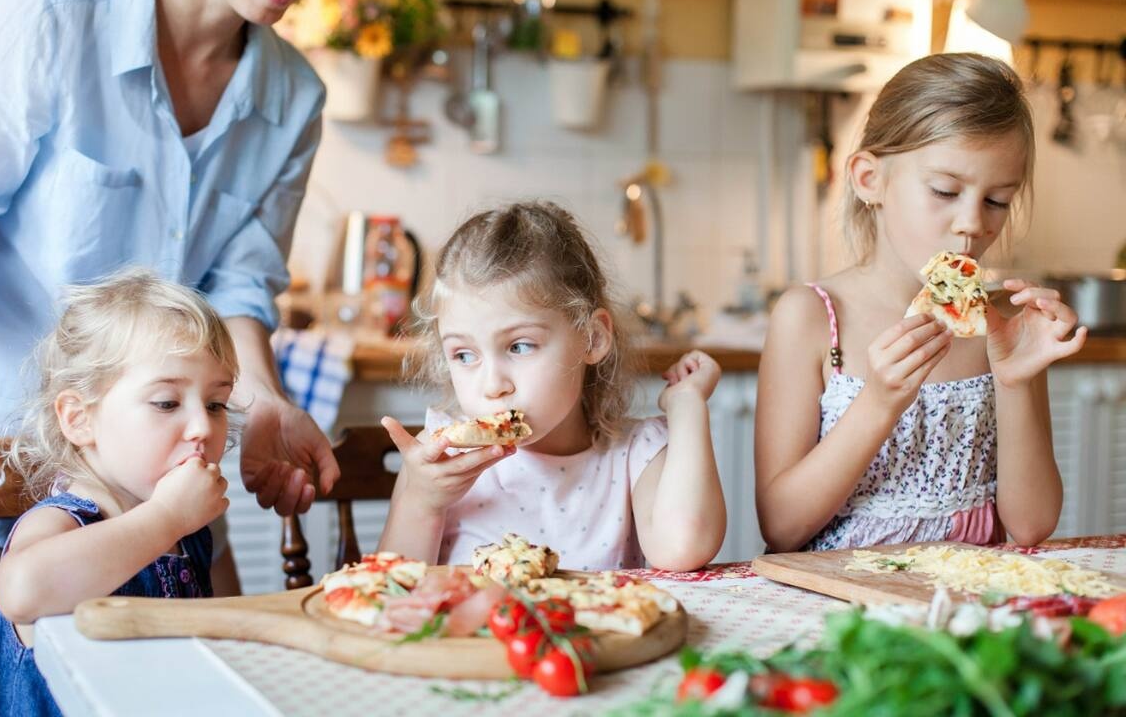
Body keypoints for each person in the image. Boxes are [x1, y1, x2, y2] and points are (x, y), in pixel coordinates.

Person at [0, 0, 339, 707]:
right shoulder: (46, 17)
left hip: (154, 471)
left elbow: (240, 284)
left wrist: (261, 398)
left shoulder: (293, 94)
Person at [755, 53, 1087, 554]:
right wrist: (879, 402)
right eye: (945, 190)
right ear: (870, 180)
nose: (973, 224)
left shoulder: (1002, 327)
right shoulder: (811, 318)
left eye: (997, 200)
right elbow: (781, 527)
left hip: (968, 604)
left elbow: (1033, 524)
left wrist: (1016, 380)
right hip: (844, 603)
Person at [378, 201, 727, 572]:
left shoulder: (634, 454)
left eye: (520, 346)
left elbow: (684, 547)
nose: (493, 385)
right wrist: (421, 501)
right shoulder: (437, 460)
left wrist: (687, 405)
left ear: (592, 339)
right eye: (464, 355)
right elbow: (391, 592)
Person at [0, 269, 235, 715]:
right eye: (167, 402)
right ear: (79, 419)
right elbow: (22, 589)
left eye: (216, 404)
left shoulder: (185, 532)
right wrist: (168, 516)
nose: (204, 426)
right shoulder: (61, 522)